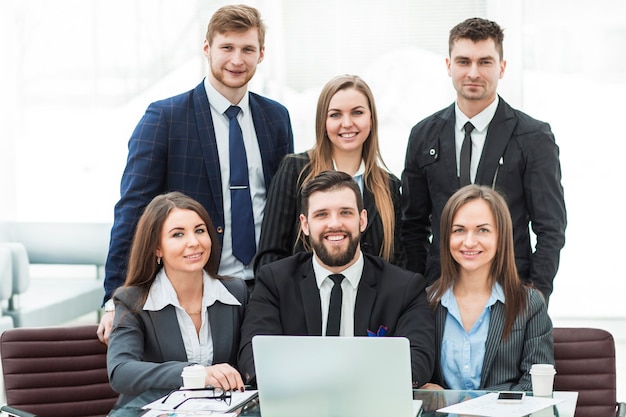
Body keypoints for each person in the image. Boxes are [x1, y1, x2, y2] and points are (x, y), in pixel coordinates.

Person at [98, 4, 294, 343]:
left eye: (248, 49)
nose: (237, 59)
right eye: (227, 48)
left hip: (264, 289)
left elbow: (284, 207)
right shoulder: (165, 117)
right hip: (195, 290)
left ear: (261, 54)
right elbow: (133, 212)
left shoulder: (276, 118)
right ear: (207, 48)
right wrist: (116, 298)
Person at [401, 17, 566, 301]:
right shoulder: (423, 135)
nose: (473, 72)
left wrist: (535, 298)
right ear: (448, 66)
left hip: (510, 294)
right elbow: (412, 225)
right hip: (440, 295)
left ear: (502, 68)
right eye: (464, 61)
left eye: (485, 62)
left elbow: (551, 228)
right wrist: (419, 295)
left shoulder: (533, 137)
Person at [239, 171, 435, 387]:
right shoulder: (274, 282)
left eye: (345, 213)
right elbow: (254, 356)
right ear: (305, 224)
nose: (334, 224)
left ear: (362, 220)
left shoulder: (404, 288)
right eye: (322, 214)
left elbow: (418, 361)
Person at [107, 191, 248, 407]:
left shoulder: (236, 292)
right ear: (157, 248)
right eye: (178, 234)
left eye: (200, 231)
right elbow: (120, 371)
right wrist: (195, 373)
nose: (194, 242)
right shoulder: (132, 300)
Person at [254, 74, 405, 273]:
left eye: (357, 112)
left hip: (373, 302)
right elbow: (270, 256)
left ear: (371, 119)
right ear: (323, 122)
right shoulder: (295, 171)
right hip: (302, 301)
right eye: (335, 115)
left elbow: (399, 263)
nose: (347, 123)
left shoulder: (389, 186)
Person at [423, 185, 553, 391]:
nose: (469, 241)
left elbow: (534, 386)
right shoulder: (426, 302)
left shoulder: (529, 305)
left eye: (482, 230)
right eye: (459, 230)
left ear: (501, 238)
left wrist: (468, 405)